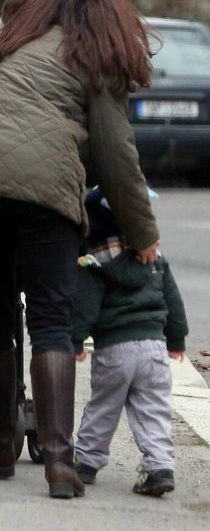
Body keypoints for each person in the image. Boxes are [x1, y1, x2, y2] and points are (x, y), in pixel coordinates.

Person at [0, 0, 160, 498]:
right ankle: (60, 465)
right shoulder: (96, 56)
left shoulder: (13, 43)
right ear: (105, 5)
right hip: (44, 193)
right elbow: (117, 158)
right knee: (50, 320)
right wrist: (142, 233)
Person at [72, 187, 188, 497]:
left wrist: (75, 340)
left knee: (103, 408)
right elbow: (173, 302)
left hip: (114, 349)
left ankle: (86, 462)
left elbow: (86, 305)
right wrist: (176, 339)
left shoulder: (93, 261)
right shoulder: (154, 258)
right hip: (154, 350)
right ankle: (159, 466)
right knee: (153, 409)